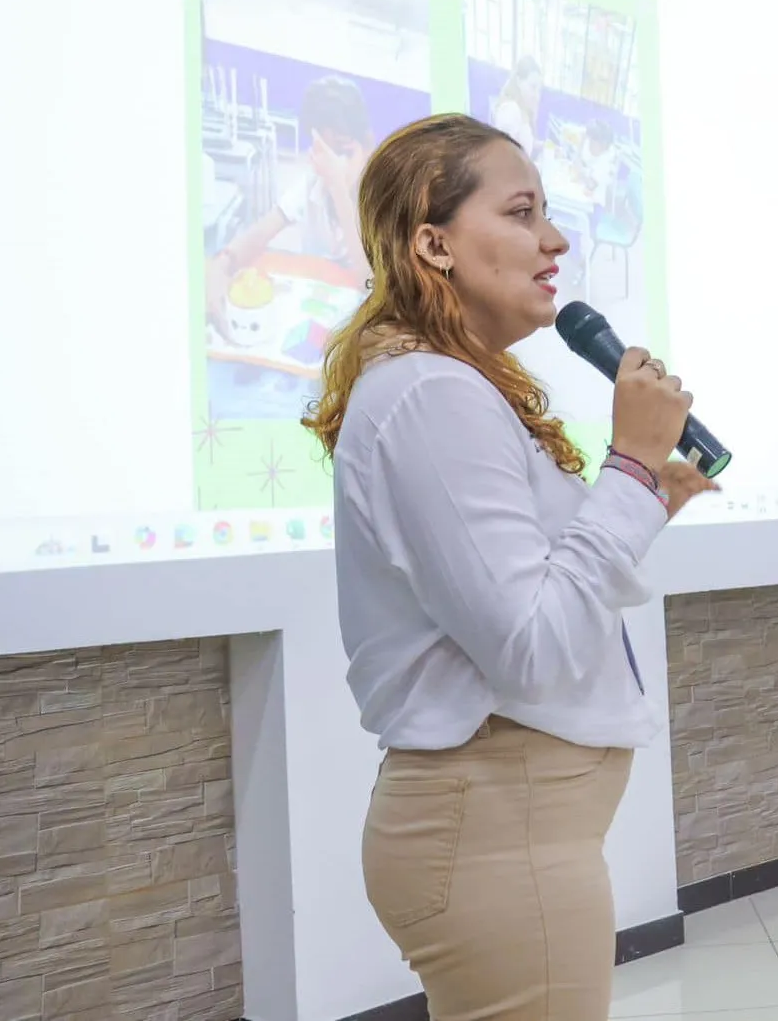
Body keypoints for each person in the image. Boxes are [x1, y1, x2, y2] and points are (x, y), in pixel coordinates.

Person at [300, 113, 718, 1021]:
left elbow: (538, 589)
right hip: (496, 831)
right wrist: (632, 467)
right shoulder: (430, 394)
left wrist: (646, 494)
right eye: (523, 212)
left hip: (506, 828)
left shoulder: (442, 385)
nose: (557, 238)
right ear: (433, 242)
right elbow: (531, 646)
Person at [206, 75, 374, 339]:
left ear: (366, 146)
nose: (333, 164)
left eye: (344, 152)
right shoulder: (312, 183)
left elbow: (369, 282)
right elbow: (259, 233)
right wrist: (223, 263)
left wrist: (340, 191)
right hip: (318, 318)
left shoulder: (384, 194)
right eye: (324, 151)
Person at [490, 55, 544, 158]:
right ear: (518, 81)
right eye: (533, 87)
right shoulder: (510, 110)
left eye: (539, 90)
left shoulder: (522, 109)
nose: (537, 95)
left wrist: (541, 145)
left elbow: (521, 141)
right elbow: (504, 155)